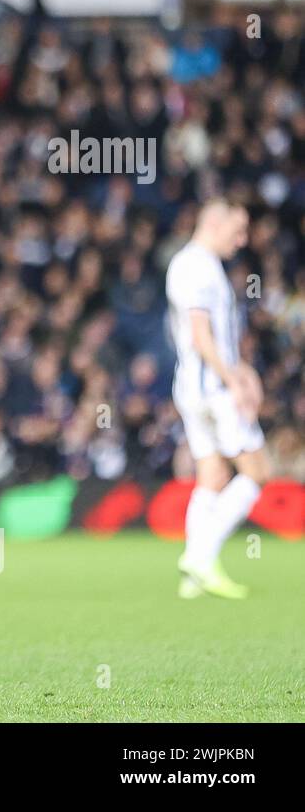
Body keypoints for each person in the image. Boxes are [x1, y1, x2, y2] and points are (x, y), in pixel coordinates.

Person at [165, 199, 272, 599]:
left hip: (195, 388)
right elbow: (200, 334)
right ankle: (201, 555)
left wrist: (243, 371)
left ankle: (193, 579)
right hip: (213, 390)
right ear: (214, 222)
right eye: (237, 229)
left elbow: (215, 339)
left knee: (211, 476)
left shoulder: (193, 264)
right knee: (258, 470)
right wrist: (235, 382)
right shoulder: (197, 266)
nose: (242, 240)